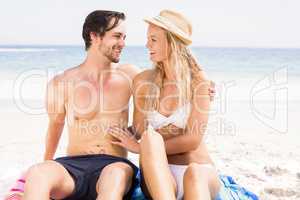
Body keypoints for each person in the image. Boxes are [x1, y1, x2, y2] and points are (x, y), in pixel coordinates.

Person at [23, 10, 140, 200]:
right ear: (94, 36)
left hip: (114, 164)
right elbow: (55, 126)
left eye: (124, 37)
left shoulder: (131, 75)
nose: (123, 44)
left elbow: (166, 92)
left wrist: (200, 87)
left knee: (114, 178)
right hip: (72, 167)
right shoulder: (62, 82)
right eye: (117, 36)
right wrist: (48, 165)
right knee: (38, 173)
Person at [109, 10, 220, 200]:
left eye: (153, 39)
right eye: (148, 39)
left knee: (195, 172)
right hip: (160, 176)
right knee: (150, 138)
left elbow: (193, 139)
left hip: (198, 171)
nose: (147, 45)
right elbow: (138, 130)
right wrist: (106, 127)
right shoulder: (143, 81)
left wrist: (138, 148)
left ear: (172, 41)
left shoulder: (199, 81)